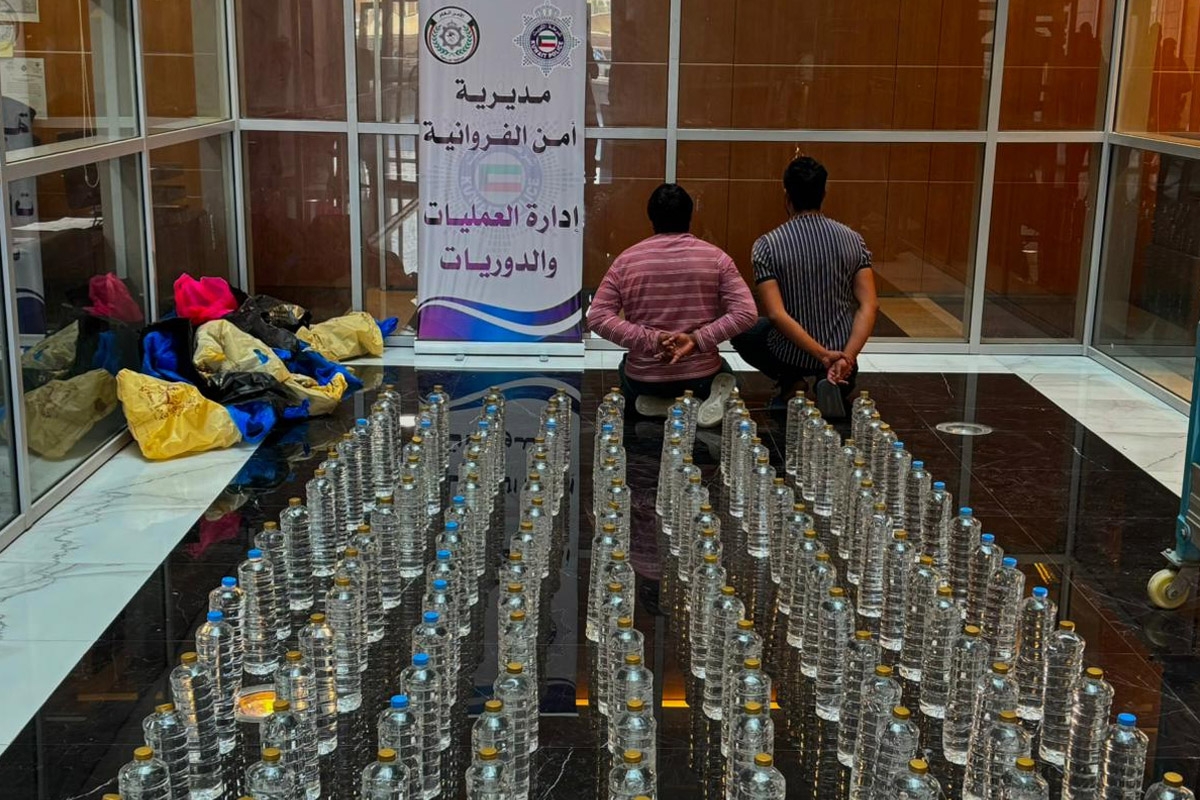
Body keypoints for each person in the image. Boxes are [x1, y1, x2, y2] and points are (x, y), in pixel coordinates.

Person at [587, 183, 757, 426]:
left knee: (626, 369)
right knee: (728, 378)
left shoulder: (626, 261)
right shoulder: (716, 258)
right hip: (700, 379)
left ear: (651, 218)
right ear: (690, 216)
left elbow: (597, 317)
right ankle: (696, 403)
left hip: (644, 381)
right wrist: (696, 340)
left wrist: (653, 340)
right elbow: (746, 313)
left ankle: (660, 404)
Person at [732, 156, 878, 418]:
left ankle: (791, 381)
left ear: (787, 196)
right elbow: (869, 305)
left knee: (744, 332)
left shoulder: (767, 245)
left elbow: (776, 314)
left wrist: (822, 355)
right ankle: (837, 378)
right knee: (840, 345)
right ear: (823, 194)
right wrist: (847, 356)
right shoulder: (853, 240)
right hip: (842, 350)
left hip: (789, 354)